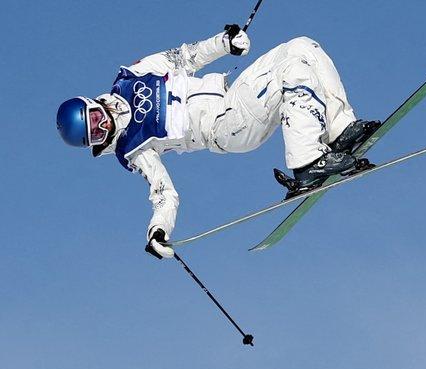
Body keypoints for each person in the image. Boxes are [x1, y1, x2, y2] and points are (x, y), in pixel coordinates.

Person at [56, 28, 379, 258]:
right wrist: (158, 231)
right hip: (226, 127)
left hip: (231, 92)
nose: (104, 126)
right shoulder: (133, 146)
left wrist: (225, 43)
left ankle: (338, 130)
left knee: (302, 47)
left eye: (96, 118)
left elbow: (184, 57)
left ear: (93, 103)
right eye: (96, 134)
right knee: (291, 72)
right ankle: (307, 160)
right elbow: (163, 194)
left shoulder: (132, 76)